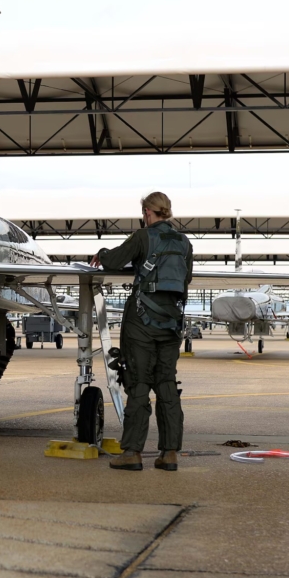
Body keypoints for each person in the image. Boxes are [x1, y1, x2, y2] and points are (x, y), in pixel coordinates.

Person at [89, 192, 192, 472]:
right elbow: (187, 278)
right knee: (167, 385)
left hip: (142, 324)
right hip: (171, 323)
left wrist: (103, 254)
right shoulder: (184, 243)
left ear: (147, 212)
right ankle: (169, 453)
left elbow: (115, 261)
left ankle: (132, 453)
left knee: (138, 385)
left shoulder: (143, 237)